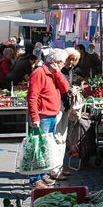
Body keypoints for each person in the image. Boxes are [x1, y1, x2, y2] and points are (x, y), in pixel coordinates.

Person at [27, 48, 70, 189]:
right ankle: (35, 179)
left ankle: (42, 175)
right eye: (62, 63)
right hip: (42, 116)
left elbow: (65, 88)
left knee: (46, 148)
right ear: (55, 62)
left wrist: (57, 73)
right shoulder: (39, 73)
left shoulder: (53, 73)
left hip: (52, 115)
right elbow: (32, 96)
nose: (64, 65)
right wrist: (34, 117)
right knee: (38, 148)